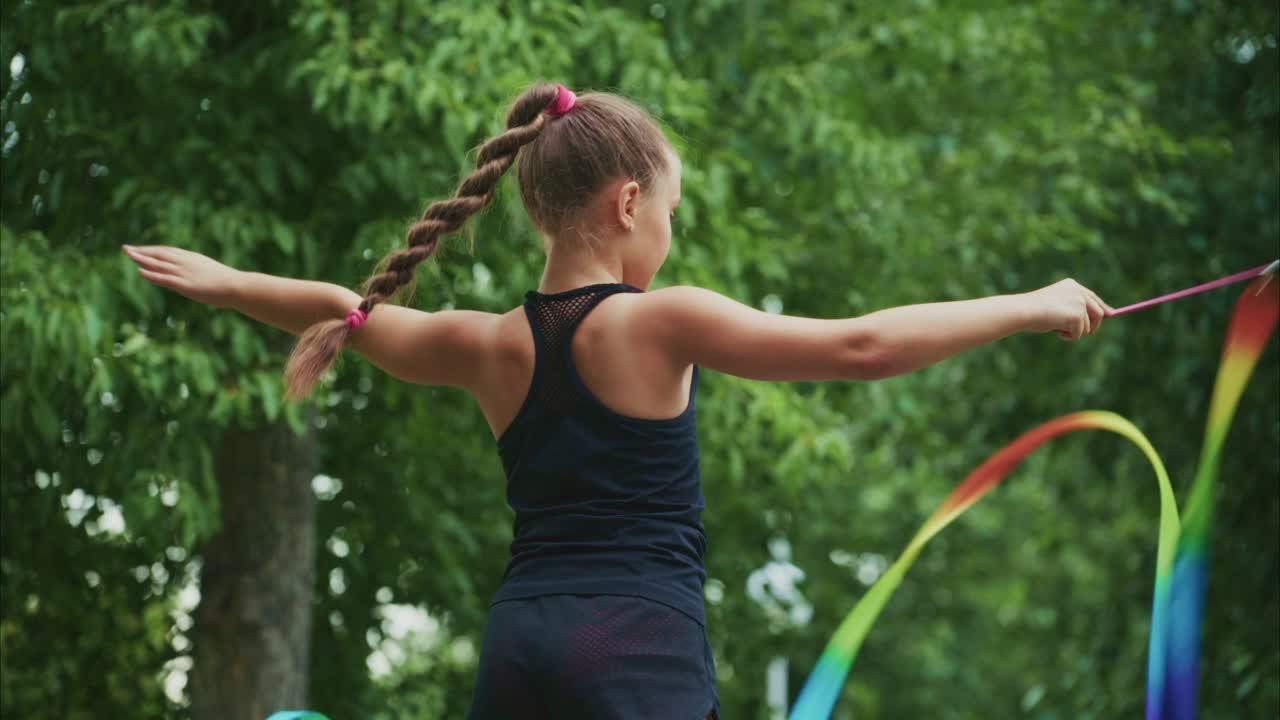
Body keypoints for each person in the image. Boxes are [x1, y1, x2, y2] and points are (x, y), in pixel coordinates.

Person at [122, 82, 1111, 720]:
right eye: (670, 211)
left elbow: (349, 311)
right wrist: (1034, 303)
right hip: (635, 645)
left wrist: (227, 282)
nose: (670, 234)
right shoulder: (660, 322)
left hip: (520, 645)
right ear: (629, 203)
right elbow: (859, 347)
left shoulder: (485, 342)